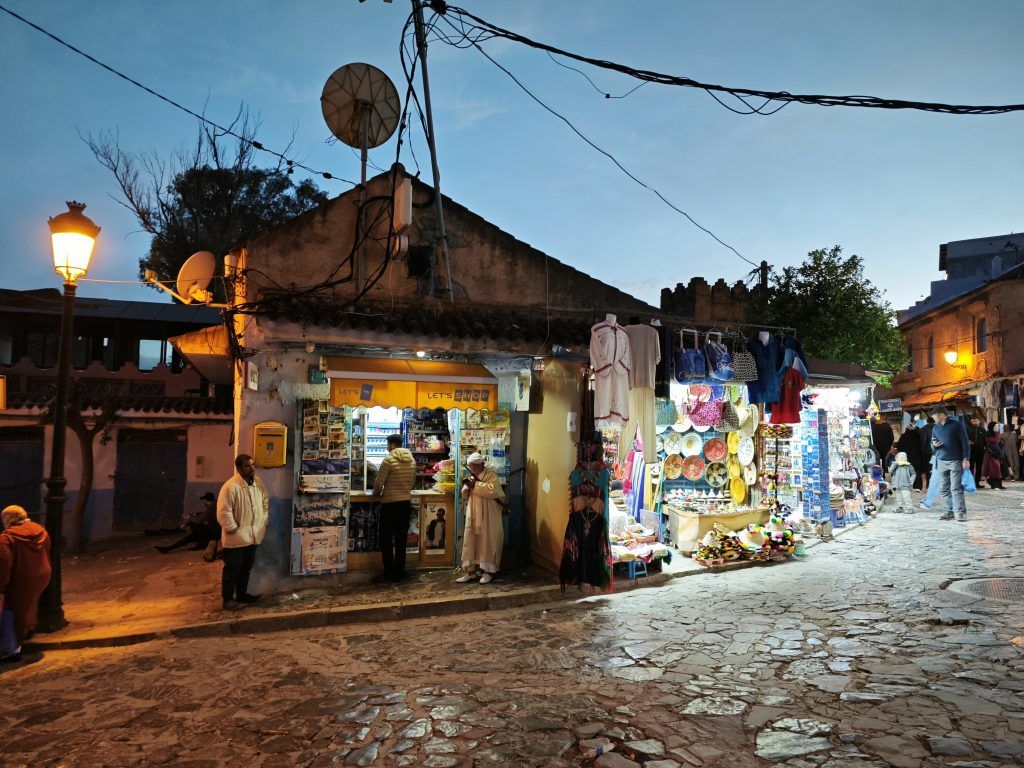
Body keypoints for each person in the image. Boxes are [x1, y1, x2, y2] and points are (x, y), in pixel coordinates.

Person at [217, 454, 269, 610]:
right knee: (232, 570)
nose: (251, 468)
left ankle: (242, 595)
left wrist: (263, 522)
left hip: (253, 536)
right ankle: (227, 600)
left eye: (252, 465)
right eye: (247, 466)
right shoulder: (230, 486)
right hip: (236, 538)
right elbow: (223, 511)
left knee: (245, 569)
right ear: (239, 468)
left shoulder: (258, 483)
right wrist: (232, 528)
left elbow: (265, 502)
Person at [0, 505, 52, 662]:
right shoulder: (40, 530)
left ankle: (13, 650)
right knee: (27, 605)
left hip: (21, 578)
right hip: (42, 575)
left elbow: (4, 563)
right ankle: (27, 630)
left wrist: (1, 586)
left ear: (8, 519)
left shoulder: (7, 537)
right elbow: (48, 548)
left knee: (11, 610)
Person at [456, 453, 507, 584]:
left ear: (480, 465)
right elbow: (466, 494)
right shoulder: (472, 475)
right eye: (470, 467)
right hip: (474, 512)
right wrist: (466, 488)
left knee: (488, 540)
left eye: (473, 466)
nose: (471, 469)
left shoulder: (491, 474)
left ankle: (487, 572)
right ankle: (470, 572)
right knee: (470, 540)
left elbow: (494, 490)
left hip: (489, 513)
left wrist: (476, 485)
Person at [373, 435, 416, 582]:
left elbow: (379, 484)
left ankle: (389, 572)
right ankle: (400, 572)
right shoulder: (411, 460)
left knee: (386, 540)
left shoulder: (388, 460)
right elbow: (412, 483)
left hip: (390, 504)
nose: (387, 447)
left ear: (392, 445)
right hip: (405, 505)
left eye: (387, 444)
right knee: (401, 540)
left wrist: (375, 494)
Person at [929, 408, 971, 522]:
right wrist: (934, 445)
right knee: (943, 488)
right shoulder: (935, 428)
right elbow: (932, 446)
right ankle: (948, 512)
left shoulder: (957, 425)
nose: (932, 417)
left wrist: (966, 458)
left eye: (934, 415)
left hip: (955, 461)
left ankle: (961, 513)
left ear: (941, 414)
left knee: (956, 488)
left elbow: (965, 442)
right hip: (941, 461)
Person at [156, 492, 220, 555]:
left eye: (204, 501)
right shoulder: (216, 503)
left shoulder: (211, 507)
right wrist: (196, 514)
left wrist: (189, 518)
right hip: (217, 530)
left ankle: (169, 547)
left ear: (206, 500)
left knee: (192, 531)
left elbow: (199, 520)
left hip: (214, 533)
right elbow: (206, 514)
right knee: (192, 532)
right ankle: (169, 547)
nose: (204, 503)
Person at [895, 423, 925, 491]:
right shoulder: (918, 436)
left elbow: (899, 446)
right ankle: (918, 486)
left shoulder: (903, 436)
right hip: (917, 456)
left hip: (906, 457)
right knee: (917, 471)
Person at [983, 422, 1005, 490]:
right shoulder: (988, 433)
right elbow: (996, 440)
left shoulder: (997, 433)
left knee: (999, 468)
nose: (997, 428)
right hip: (991, 453)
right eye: (995, 426)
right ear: (991, 427)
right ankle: (994, 484)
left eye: (997, 426)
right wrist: (996, 433)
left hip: (997, 453)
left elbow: (999, 442)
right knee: (994, 468)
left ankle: (999, 484)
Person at [966, 416, 987, 489]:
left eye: (975, 421)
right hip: (971, 451)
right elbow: (964, 439)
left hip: (980, 451)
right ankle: (971, 483)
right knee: (970, 467)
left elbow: (985, 441)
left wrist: (986, 449)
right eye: (973, 421)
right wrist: (968, 442)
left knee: (979, 467)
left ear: (979, 421)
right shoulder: (967, 429)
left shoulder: (983, 430)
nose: (974, 422)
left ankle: (977, 483)